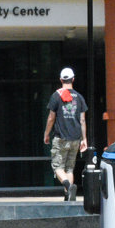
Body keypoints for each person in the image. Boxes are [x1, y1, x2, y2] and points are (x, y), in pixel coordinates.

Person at [43, 67, 88, 201]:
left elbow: (51, 117)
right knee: (69, 169)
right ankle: (69, 196)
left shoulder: (56, 95)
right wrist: (84, 139)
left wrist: (46, 133)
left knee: (57, 167)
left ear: (61, 80)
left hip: (61, 138)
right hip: (75, 138)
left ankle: (68, 186)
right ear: (73, 79)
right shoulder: (79, 97)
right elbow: (83, 120)